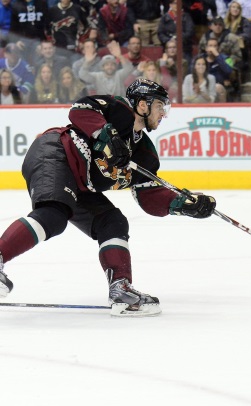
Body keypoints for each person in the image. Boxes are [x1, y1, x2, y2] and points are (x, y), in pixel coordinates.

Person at [0, 78, 217, 317]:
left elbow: (148, 197)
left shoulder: (144, 152)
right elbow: (80, 109)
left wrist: (183, 205)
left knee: (113, 222)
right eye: (159, 106)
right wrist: (106, 134)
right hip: (55, 152)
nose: (163, 113)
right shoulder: (119, 110)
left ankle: (120, 289)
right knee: (54, 215)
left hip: (83, 183)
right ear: (142, 106)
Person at [158, 0, 195, 64]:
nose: (177, 5)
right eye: (174, 3)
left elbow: (190, 32)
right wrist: (169, 40)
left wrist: (178, 39)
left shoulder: (186, 17)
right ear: (170, 5)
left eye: (179, 3)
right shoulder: (165, 17)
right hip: (169, 48)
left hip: (184, 48)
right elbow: (160, 33)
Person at [203, 36, 233, 102]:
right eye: (210, 46)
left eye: (215, 46)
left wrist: (217, 56)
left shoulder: (226, 58)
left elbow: (229, 70)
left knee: (217, 88)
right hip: (204, 87)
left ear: (218, 48)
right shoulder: (200, 59)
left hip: (219, 87)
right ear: (206, 48)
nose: (212, 48)